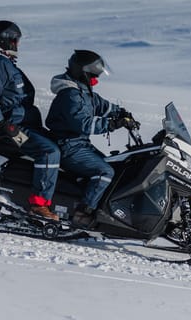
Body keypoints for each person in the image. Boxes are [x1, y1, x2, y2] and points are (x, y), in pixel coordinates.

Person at [0, 20, 60, 221]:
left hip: (18, 125)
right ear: (7, 40)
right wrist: (2, 125)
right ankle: (39, 206)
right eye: (16, 40)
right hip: (10, 130)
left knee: (57, 145)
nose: (17, 45)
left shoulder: (3, 63)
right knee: (49, 152)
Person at [45, 50, 139, 227]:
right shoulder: (70, 95)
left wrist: (121, 112)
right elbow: (83, 124)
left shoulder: (82, 91)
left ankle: (92, 206)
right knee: (105, 172)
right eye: (94, 75)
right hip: (69, 146)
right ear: (83, 72)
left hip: (79, 144)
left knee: (112, 165)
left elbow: (100, 104)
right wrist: (112, 125)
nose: (96, 79)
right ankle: (83, 214)